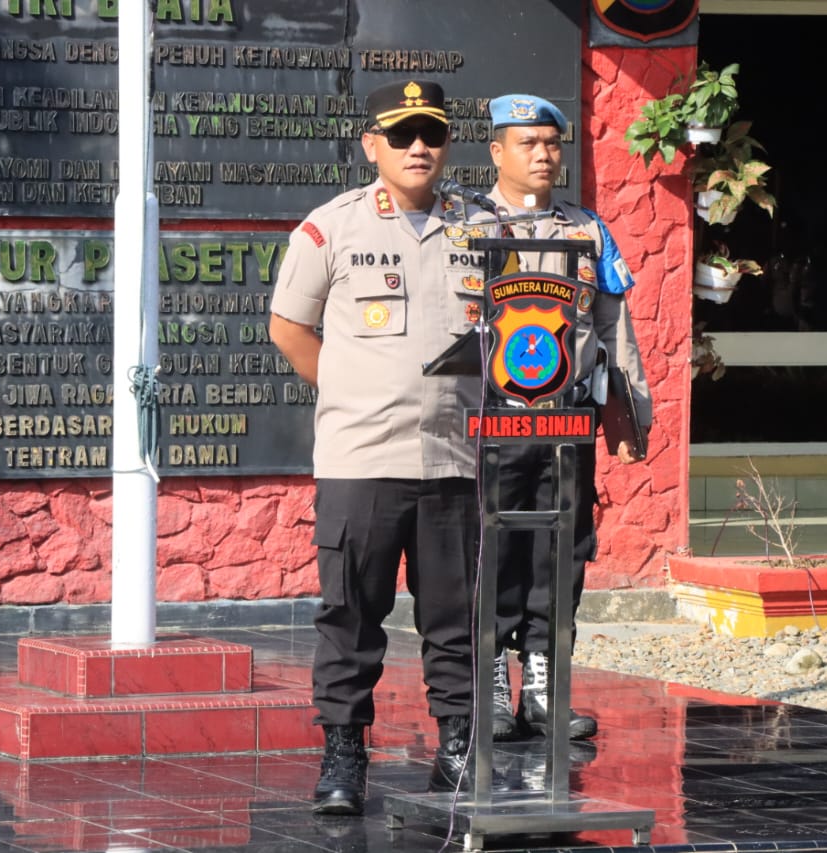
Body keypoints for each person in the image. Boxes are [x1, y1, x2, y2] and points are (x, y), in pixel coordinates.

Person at [269, 79, 482, 816]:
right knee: (351, 613)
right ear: (372, 146)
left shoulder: (482, 230)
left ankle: (459, 742)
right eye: (402, 134)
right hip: (361, 461)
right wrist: (355, 389)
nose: (419, 146)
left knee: (456, 615)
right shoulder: (330, 231)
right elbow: (290, 331)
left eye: (432, 132)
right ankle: (344, 751)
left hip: (452, 457)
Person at [478, 94, 653, 742]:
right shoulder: (464, 229)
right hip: (489, 424)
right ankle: (492, 686)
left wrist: (631, 416)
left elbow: (614, 328)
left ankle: (546, 686)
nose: (545, 154)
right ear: (498, 150)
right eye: (529, 142)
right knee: (492, 548)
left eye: (553, 143)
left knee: (563, 553)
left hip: (566, 424)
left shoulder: (587, 230)